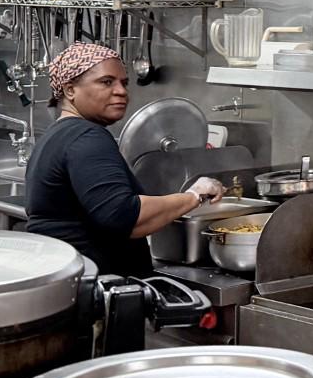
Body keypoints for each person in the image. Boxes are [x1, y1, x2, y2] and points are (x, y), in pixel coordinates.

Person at [24, 41, 223, 275]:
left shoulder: (58, 135)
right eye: (106, 82)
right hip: (95, 289)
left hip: (67, 280)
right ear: (70, 90)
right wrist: (195, 195)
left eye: (123, 83)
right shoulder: (87, 137)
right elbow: (126, 217)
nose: (121, 91)